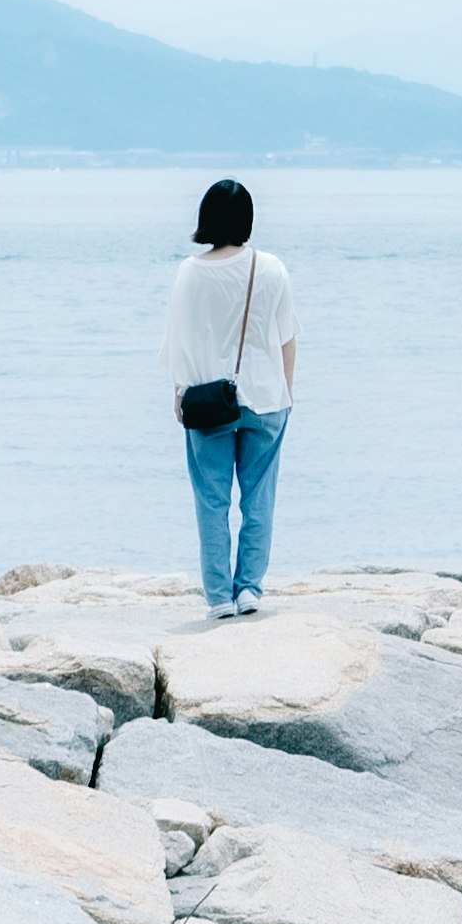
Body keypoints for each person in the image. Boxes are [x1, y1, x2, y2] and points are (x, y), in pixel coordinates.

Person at [162, 176, 294, 615]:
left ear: (206, 219)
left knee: (212, 501)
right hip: (267, 398)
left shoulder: (190, 272)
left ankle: (219, 596)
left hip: (207, 402)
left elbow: (178, 339)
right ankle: (249, 590)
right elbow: (287, 335)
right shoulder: (271, 268)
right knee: (259, 499)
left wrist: (179, 392)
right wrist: (286, 393)